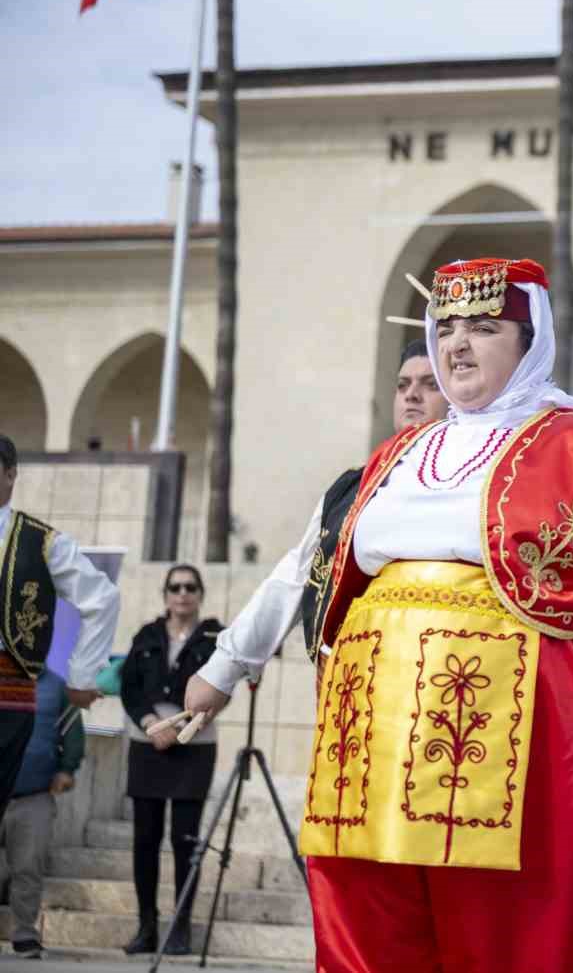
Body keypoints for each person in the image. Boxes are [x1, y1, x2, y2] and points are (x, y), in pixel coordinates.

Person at [293, 257, 573, 973]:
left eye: (485, 326)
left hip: (504, 729)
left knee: (496, 928)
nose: (457, 345)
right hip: (370, 731)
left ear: (530, 340)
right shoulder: (401, 453)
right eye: (445, 328)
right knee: (366, 914)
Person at [187, 338, 449, 710]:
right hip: (351, 690)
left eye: (430, 385)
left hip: (438, 687)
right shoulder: (350, 489)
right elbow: (298, 573)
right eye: (403, 385)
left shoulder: (475, 484)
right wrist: (222, 668)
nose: (412, 396)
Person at [0, 434, 118, 817]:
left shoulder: (42, 542)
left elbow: (102, 598)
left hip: (8, 688)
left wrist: (81, 676)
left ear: (11, 474)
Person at [118, 563, 223, 956]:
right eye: (175, 587)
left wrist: (181, 730)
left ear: (200, 593)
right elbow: (129, 686)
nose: (183, 594)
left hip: (193, 747)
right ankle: (147, 925)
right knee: (145, 838)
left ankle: (180, 927)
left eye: (190, 587)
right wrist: (150, 723)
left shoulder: (215, 638)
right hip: (148, 743)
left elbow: (220, 687)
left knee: (185, 839)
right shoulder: (146, 635)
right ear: (165, 594)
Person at [0, 668, 85, 959]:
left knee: (28, 867)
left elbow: (73, 730)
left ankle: (24, 934)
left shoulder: (57, 687)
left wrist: (66, 768)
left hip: (34, 795)